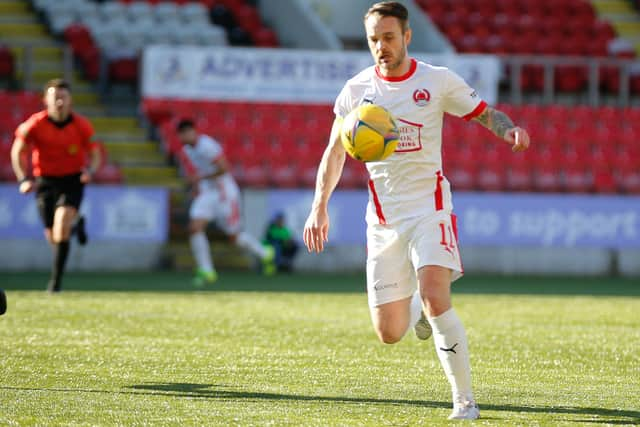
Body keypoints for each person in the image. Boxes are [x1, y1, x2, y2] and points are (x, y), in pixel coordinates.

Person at [303, 2, 530, 420]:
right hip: (384, 221)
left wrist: (508, 129)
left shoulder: (436, 80)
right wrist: (319, 207)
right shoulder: (356, 91)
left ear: (407, 37)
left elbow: (485, 114)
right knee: (389, 333)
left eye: (389, 38)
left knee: (435, 296)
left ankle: (464, 401)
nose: (381, 47)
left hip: (430, 208)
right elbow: (334, 153)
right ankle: (414, 311)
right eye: (374, 40)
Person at [11, 79, 101, 293]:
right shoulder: (35, 124)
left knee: (61, 225)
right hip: (45, 181)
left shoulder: (81, 125)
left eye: (63, 96)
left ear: (71, 100)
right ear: (46, 100)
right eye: (55, 96)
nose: (59, 101)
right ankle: (76, 224)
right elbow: (17, 151)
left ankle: (55, 283)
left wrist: (90, 171)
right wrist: (23, 179)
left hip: (72, 180)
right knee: (53, 235)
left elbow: (95, 154)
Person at [176, 119, 275, 286]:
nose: (185, 136)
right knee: (194, 228)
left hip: (225, 194)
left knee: (234, 237)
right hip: (208, 193)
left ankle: (265, 253)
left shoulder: (206, 146)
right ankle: (207, 271)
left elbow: (224, 168)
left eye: (187, 132)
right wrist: (198, 185)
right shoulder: (188, 150)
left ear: (193, 131)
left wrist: (200, 178)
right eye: (182, 134)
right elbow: (202, 171)